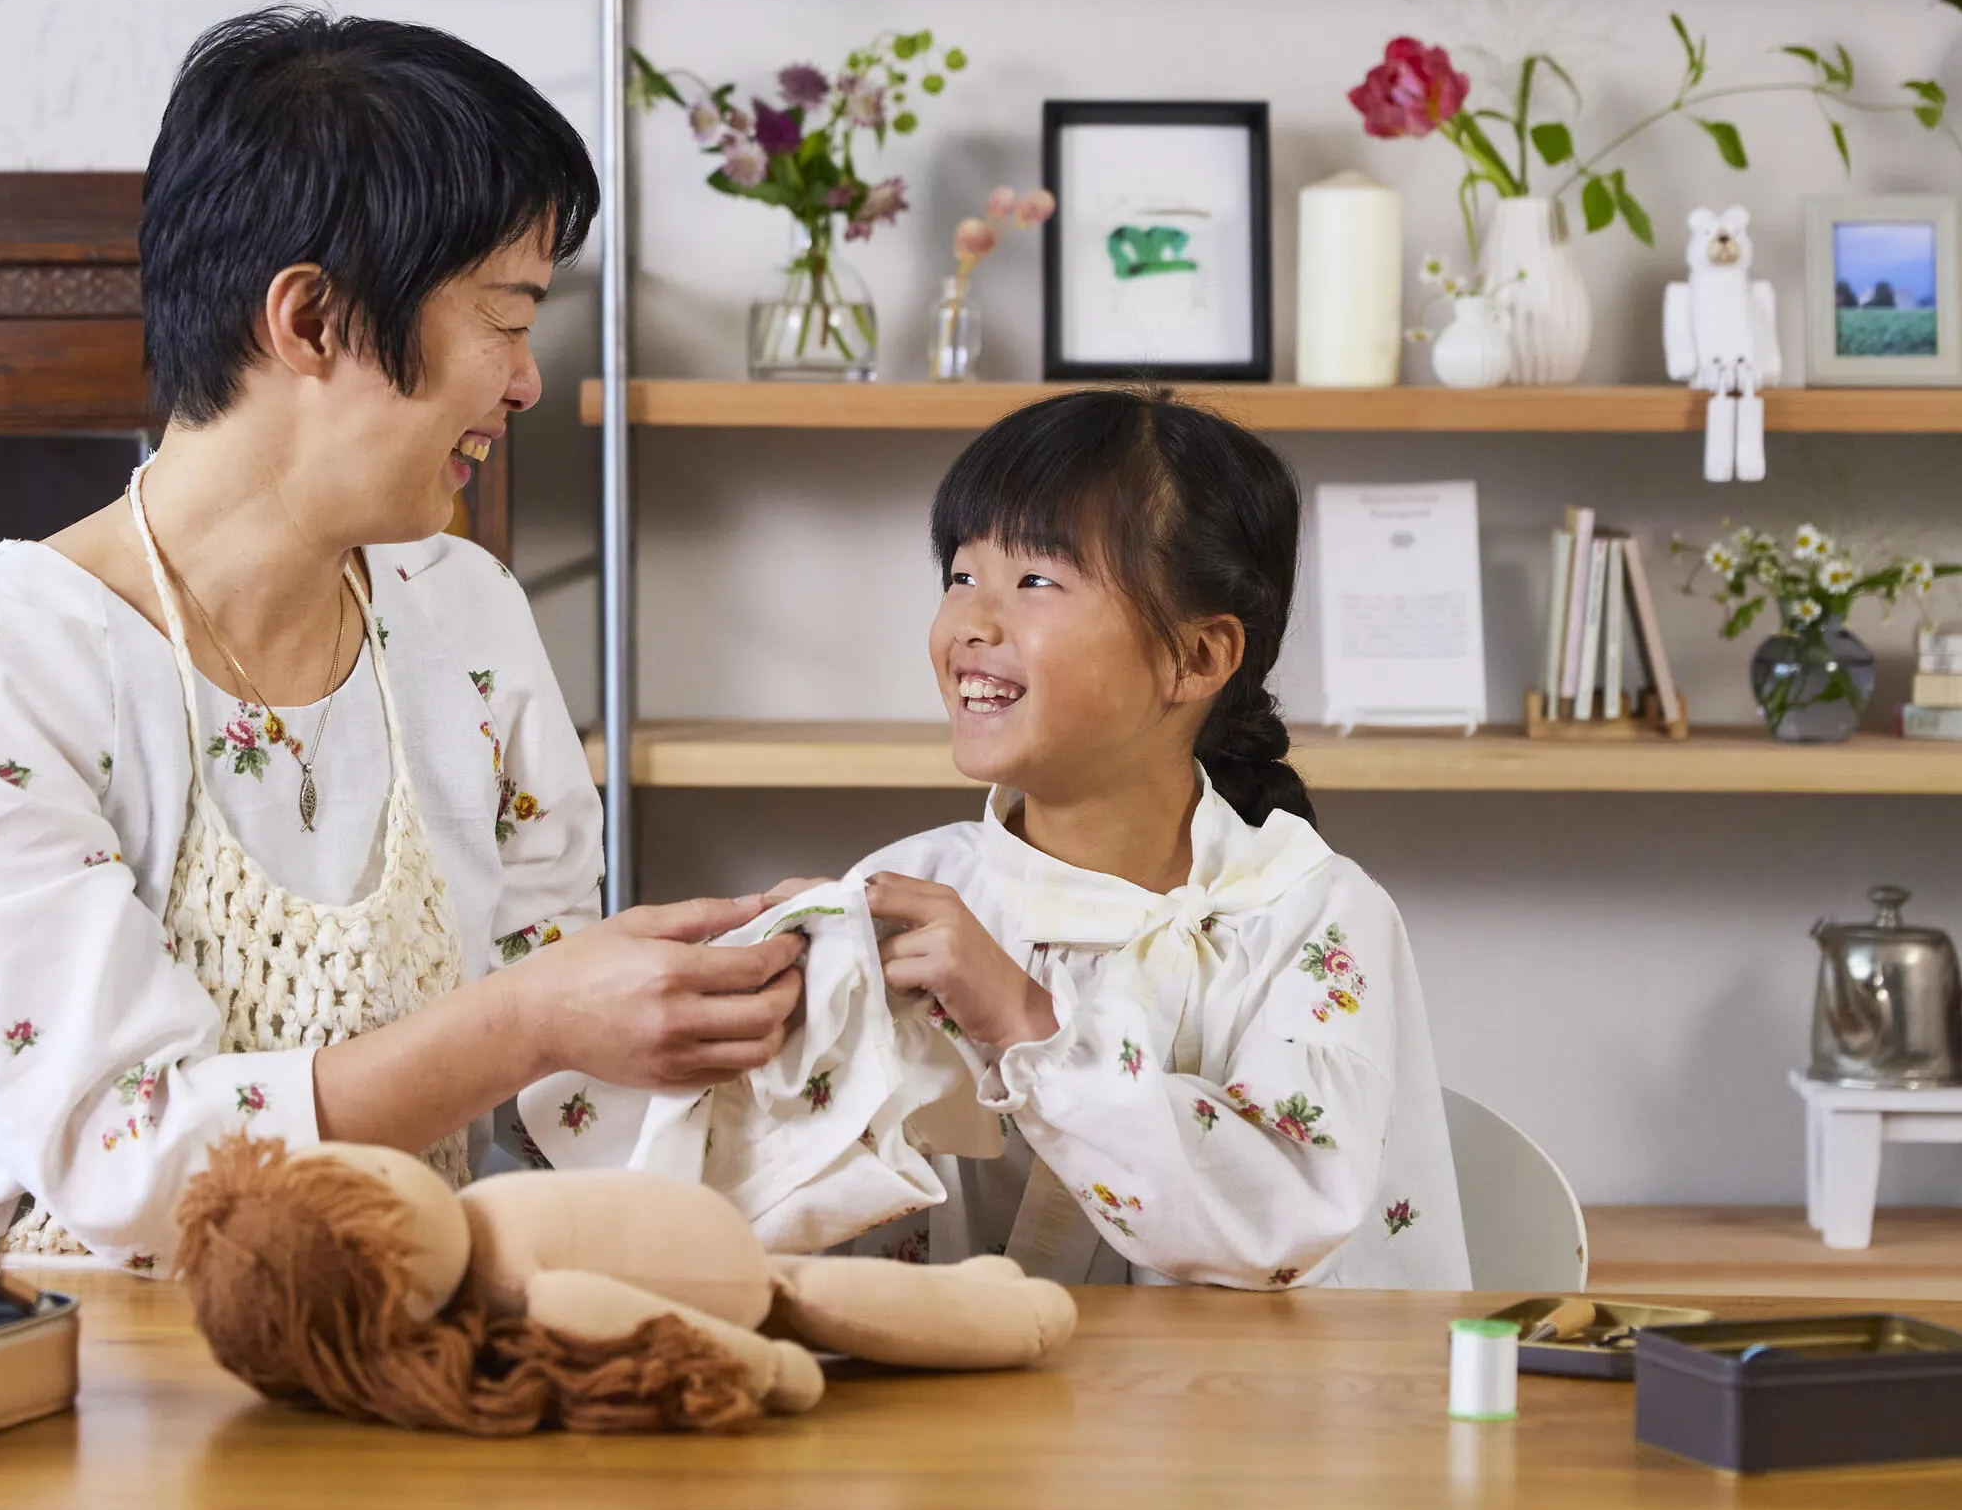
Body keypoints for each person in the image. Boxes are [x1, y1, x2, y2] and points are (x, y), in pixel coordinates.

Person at [0, 6, 803, 1510]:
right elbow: (130, 1160)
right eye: (503, 317)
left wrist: (767, 1026)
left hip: (390, 1397)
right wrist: (534, 1018)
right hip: (37, 1453)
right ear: (312, 320)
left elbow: (558, 1078)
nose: (524, 378)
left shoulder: (458, 614)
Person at [529, 389, 1468, 1296]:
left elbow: (1283, 1220)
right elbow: (760, 1208)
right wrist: (769, 1021)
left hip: (1233, 1404)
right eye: (959, 576)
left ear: (1197, 656)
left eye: (1034, 581)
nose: (970, 624)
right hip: (958, 1395)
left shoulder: (1310, 914)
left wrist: (1025, 1019)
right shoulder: (908, 894)